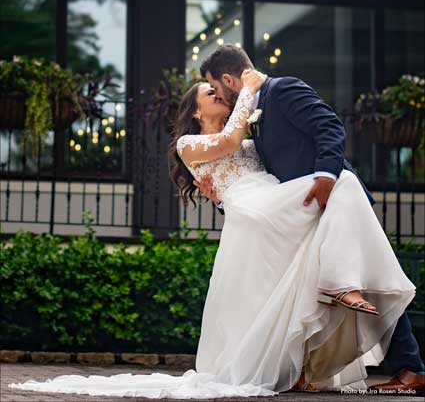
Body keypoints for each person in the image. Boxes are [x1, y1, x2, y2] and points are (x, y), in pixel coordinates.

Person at [9, 63, 417, 397]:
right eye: (210, 94)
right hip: (255, 210)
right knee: (340, 187)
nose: (219, 95)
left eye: (218, 90)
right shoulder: (191, 142)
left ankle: (324, 328)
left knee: (294, 287)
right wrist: (251, 86)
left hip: (274, 202)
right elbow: (230, 143)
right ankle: (343, 300)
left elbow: (258, 159)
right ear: (196, 112)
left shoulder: (249, 135)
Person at [196, 44, 425, 394]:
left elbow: (330, 128)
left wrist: (326, 178)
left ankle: (411, 369)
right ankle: (311, 370)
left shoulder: (283, 89)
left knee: (369, 281)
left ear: (228, 79)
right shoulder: (251, 117)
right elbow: (256, 181)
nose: (220, 94)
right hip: (301, 212)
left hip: (333, 198)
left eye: (216, 85)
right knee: (309, 295)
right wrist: (222, 199)